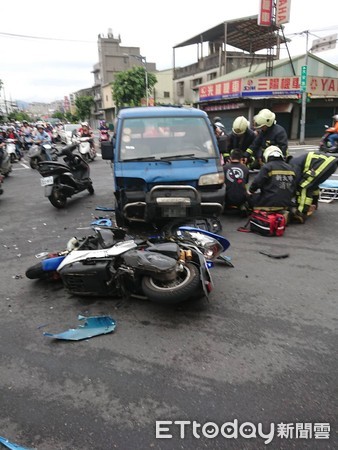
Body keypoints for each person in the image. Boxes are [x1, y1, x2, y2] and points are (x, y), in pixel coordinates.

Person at [288, 151, 338, 223]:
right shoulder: (296, 160)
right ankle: (314, 203)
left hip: (324, 164)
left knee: (303, 186)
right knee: (312, 184)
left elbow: (296, 182)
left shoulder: (292, 164)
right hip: (331, 164)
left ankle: (301, 213)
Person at [247, 145, 296, 212]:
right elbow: (294, 186)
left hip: (269, 202)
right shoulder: (290, 168)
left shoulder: (267, 167)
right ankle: (288, 210)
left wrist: (251, 191)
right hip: (286, 202)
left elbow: (257, 182)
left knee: (249, 198)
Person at [223, 149, 250, 216]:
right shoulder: (245, 168)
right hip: (241, 198)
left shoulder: (224, 168)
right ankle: (242, 206)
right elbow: (246, 182)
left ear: (230, 158)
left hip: (227, 198)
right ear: (241, 159)